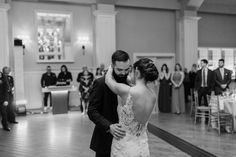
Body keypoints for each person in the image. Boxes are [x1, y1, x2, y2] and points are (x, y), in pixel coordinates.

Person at [105, 58, 158, 157]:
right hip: (143, 145)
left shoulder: (126, 91)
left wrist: (111, 67)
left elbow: (108, 80)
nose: (129, 74)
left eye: (131, 71)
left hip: (125, 146)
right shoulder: (152, 95)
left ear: (137, 72)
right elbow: (138, 88)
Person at [88, 50, 131, 157]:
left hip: (127, 140)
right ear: (112, 66)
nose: (123, 73)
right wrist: (109, 126)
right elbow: (92, 111)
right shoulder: (100, 83)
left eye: (126, 70)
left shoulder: (130, 83)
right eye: (119, 70)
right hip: (105, 139)